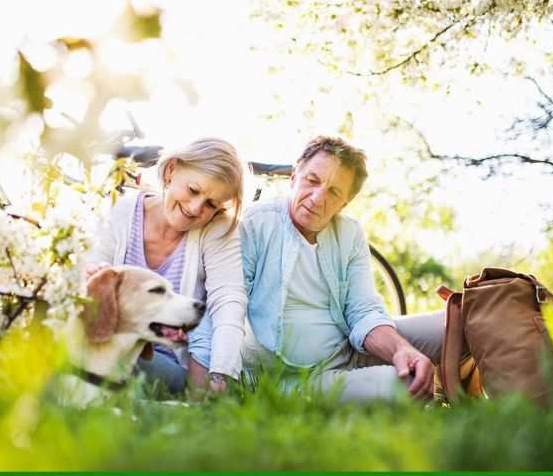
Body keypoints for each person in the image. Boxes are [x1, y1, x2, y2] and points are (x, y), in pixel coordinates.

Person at [189, 136, 445, 402]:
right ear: (294, 175)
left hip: (350, 347)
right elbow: (224, 307)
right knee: (406, 386)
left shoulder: (350, 234)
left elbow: (363, 310)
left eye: (334, 192)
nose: (318, 198)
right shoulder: (255, 224)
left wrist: (401, 349)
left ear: (344, 203)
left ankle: (476, 387)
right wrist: (214, 379)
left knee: (454, 324)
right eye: (312, 180)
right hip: (302, 379)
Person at [88, 138, 247, 394]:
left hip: (163, 363)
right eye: (194, 190)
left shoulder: (217, 231)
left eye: (211, 205)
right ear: (171, 170)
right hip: (104, 346)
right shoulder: (120, 211)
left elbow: (229, 301)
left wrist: (221, 372)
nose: (196, 208)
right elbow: (89, 283)